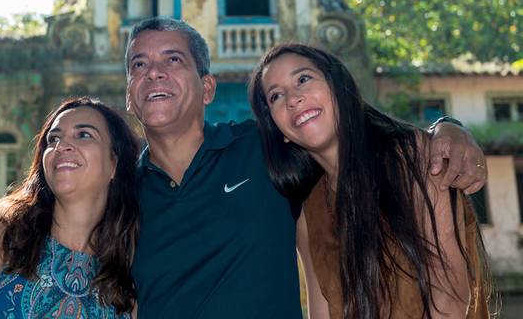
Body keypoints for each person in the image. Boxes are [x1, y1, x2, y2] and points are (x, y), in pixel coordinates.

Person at [124, 17, 487, 319]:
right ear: (129, 95)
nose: (154, 72)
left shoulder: (262, 151)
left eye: (173, 59)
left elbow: (450, 299)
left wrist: (448, 127)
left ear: (207, 89)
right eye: (139, 64)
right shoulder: (119, 196)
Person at [249, 43, 491, 318]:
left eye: (303, 79)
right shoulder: (308, 213)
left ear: (338, 86)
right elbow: (322, 312)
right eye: (276, 96)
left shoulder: (415, 157)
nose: (293, 99)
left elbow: (451, 299)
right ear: (278, 129)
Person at [0, 97, 140, 319]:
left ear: (114, 163)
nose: (61, 146)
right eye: (53, 138)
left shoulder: (129, 280)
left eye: (84, 135)